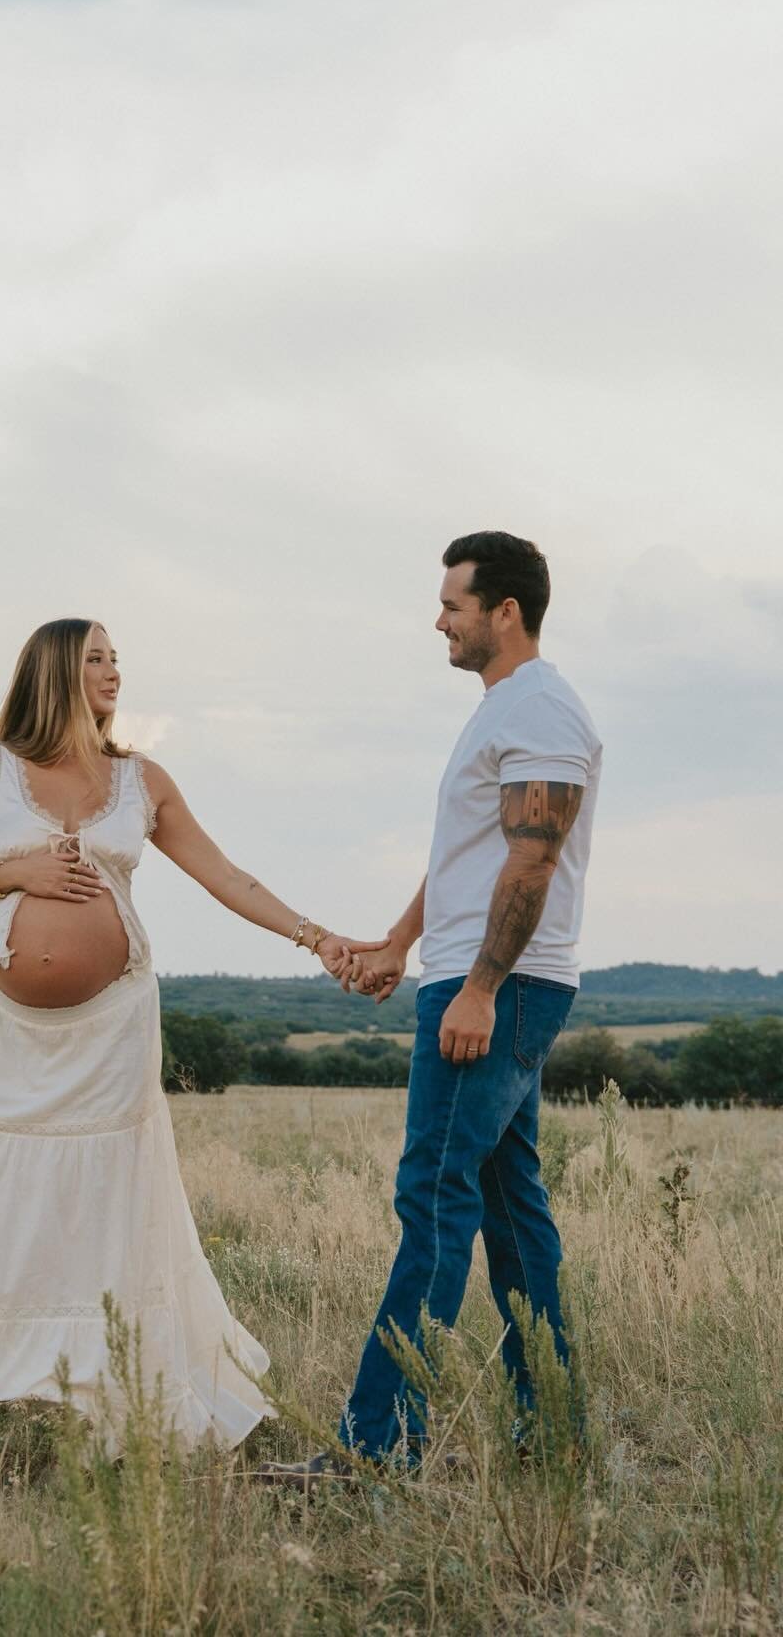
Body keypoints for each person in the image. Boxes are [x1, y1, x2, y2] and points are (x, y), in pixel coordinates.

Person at [0, 617, 383, 1452]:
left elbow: (226, 877)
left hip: (111, 1034)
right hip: (8, 1036)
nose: (114, 673)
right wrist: (12, 874)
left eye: (117, 659)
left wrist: (319, 938)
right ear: (54, 671)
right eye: (96, 659)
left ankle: (104, 1378)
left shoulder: (142, 780)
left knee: (103, 1203)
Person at [266, 530, 602, 1485]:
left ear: (506, 611)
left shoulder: (541, 710)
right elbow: (471, 853)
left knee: (433, 1200)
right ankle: (554, 1432)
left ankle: (377, 1449)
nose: (439, 619)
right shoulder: (508, 710)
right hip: (478, 974)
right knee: (508, 1203)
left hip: (500, 986)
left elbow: (532, 860)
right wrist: (400, 942)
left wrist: (483, 988)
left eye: (454, 603)